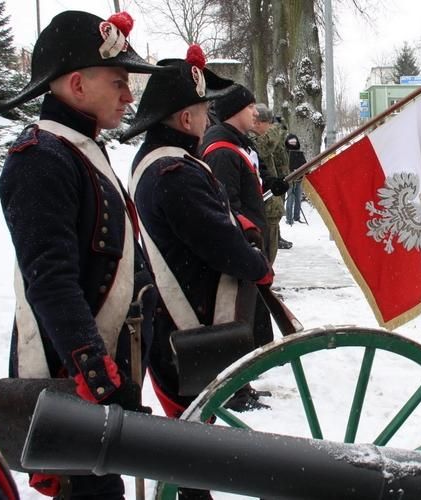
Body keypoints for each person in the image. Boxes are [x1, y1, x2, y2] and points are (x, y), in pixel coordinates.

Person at [0, 10, 165, 498]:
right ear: (76, 84)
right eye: (118, 82)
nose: (129, 96)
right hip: (74, 383)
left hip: (106, 376)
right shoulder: (40, 159)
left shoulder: (78, 149)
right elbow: (49, 279)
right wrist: (92, 370)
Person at [121, 46, 270, 423]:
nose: (209, 118)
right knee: (191, 429)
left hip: (180, 315)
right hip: (188, 319)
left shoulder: (163, 162)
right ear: (186, 118)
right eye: (204, 111)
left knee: (192, 429)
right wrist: (257, 264)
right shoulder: (175, 172)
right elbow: (218, 241)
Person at [200, 84, 289, 349]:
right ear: (235, 111)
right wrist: (246, 249)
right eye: (249, 106)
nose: (255, 112)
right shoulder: (222, 151)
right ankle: (241, 382)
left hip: (249, 244)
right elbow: (228, 207)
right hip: (242, 247)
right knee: (239, 324)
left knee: (251, 321)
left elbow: (248, 186)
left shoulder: (238, 145)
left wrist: (270, 183)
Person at [251, 103, 293, 260]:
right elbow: (263, 147)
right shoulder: (250, 138)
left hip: (271, 204)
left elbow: (279, 159)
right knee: (264, 254)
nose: (271, 129)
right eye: (269, 125)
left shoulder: (264, 138)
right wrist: (277, 128)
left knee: (270, 252)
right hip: (262, 205)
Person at [285, 133, 306, 225]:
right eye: (291, 142)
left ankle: (296, 217)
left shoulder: (299, 153)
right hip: (289, 179)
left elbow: (304, 164)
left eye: (294, 142)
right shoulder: (285, 153)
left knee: (298, 198)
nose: (293, 144)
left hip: (299, 178)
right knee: (290, 198)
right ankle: (289, 219)